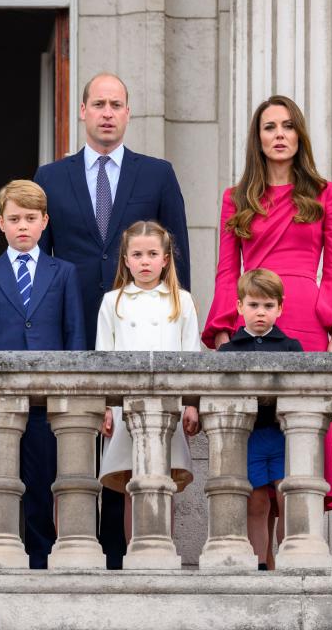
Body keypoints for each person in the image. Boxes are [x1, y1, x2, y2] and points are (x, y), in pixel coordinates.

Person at [34, 72, 191, 567]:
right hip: (73, 322)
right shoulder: (50, 178)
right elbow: (39, 259)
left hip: (143, 321)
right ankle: (62, 549)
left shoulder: (157, 174)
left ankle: (122, 551)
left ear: (128, 113)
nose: (106, 112)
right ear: (82, 111)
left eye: (116, 104)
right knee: (72, 435)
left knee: (129, 437)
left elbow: (178, 254)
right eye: (98, 103)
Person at [201, 95, 332, 513]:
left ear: (299, 135)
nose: (279, 135)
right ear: (257, 139)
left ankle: (296, 558)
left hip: (306, 324)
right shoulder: (235, 198)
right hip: (250, 325)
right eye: (270, 127)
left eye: (288, 126)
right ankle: (261, 564)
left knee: (301, 443)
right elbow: (225, 272)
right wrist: (223, 335)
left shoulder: (327, 194)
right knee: (254, 449)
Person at [0, 179, 85, 568]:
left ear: (45, 221)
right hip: (0, 400)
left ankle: (41, 559)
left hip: (49, 401)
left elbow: (75, 336)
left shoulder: (64, 273)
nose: (22, 226)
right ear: (1, 223)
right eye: (14, 218)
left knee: (44, 482)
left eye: (30, 218)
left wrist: (76, 396)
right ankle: (3, 555)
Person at [96, 220, 199, 543]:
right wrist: (107, 407)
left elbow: (192, 357)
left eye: (152, 254)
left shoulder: (181, 300)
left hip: (170, 406)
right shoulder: (112, 302)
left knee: (162, 482)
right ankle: (135, 553)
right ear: (125, 259)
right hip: (126, 406)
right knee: (131, 484)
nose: (144, 261)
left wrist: (192, 404)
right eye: (137, 254)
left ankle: (162, 551)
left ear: (165, 259)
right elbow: (104, 359)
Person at [217, 268, 303, 570]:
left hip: (282, 436)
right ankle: (260, 566)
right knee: (256, 502)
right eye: (253, 305)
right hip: (249, 437)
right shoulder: (228, 351)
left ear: (280, 308)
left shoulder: (292, 348)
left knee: (286, 497)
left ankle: (289, 561)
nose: (261, 313)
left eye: (268, 306)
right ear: (239, 307)